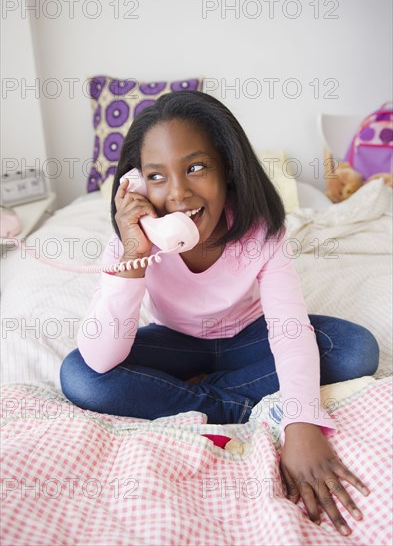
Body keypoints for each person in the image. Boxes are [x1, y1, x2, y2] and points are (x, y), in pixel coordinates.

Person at [60, 91, 379, 536]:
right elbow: (100, 358)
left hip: (251, 336)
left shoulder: (262, 231)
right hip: (176, 342)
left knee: (355, 347)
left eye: (196, 167)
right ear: (135, 184)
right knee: (81, 374)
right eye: (156, 176)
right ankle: (232, 405)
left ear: (227, 168)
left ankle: (202, 401)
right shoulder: (136, 239)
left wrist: (301, 422)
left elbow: (288, 329)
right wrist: (134, 253)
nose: (178, 193)